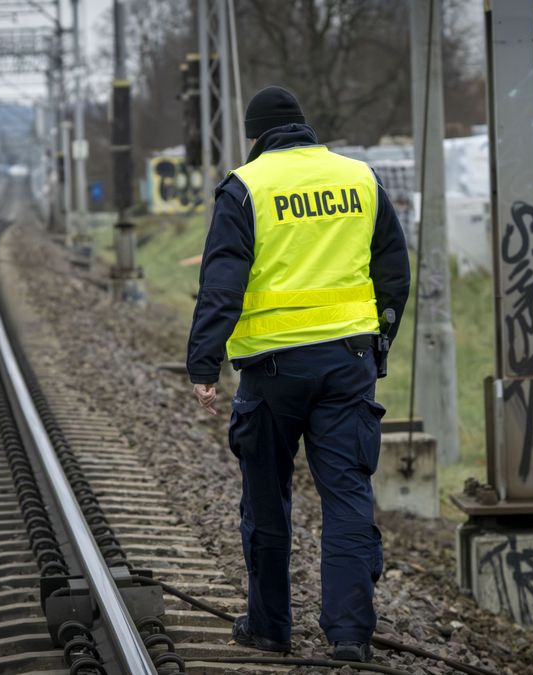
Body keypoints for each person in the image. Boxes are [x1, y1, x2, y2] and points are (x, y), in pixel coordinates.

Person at [186, 85, 410, 663]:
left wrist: (204, 363)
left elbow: (222, 282)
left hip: (272, 371)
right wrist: (379, 343)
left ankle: (269, 628)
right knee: (347, 496)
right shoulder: (361, 178)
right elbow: (393, 270)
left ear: (255, 136)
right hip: (348, 364)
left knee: (267, 500)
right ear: (305, 127)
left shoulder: (245, 186)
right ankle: (350, 635)